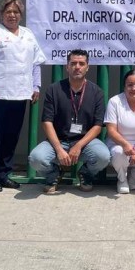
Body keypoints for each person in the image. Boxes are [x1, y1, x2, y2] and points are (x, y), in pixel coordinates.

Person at [0, 0, 46, 192]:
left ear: (21, 15)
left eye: (16, 12)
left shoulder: (28, 34)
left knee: (11, 137)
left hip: (20, 94)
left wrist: (36, 86)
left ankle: (4, 174)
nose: (12, 15)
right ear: (2, 14)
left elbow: (35, 63)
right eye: (8, 12)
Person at [27, 49, 110, 194]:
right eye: (73, 63)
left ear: (87, 67)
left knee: (103, 157)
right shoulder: (54, 89)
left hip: (85, 142)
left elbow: (98, 126)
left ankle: (85, 174)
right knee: (35, 158)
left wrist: (78, 146)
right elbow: (47, 122)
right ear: (67, 66)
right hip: (59, 141)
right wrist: (59, 149)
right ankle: (54, 174)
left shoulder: (96, 92)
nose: (77, 67)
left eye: (81, 63)